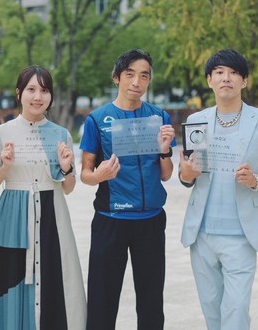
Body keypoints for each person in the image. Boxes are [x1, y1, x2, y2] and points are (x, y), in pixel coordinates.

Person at [0, 65, 86, 329]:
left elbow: (68, 188)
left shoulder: (61, 134)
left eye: (44, 90)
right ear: (19, 92)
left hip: (54, 215)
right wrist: (6, 167)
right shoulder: (1, 133)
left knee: (55, 277)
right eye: (31, 89)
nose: (38, 97)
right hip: (14, 215)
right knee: (10, 278)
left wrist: (67, 168)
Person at [178, 48, 258, 330]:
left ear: (244, 81)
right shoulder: (196, 121)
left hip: (241, 234)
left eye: (234, 72)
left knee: (236, 309)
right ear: (209, 80)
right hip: (202, 233)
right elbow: (187, 173)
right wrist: (186, 173)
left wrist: (256, 180)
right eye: (219, 72)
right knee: (212, 310)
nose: (226, 78)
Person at [79, 49, 176, 330]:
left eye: (144, 76)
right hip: (111, 220)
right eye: (130, 74)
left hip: (150, 221)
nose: (137, 82)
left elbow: (166, 174)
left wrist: (164, 150)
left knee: (151, 301)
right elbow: (85, 174)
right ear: (116, 77)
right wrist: (99, 175)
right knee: (102, 299)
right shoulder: (97, 119)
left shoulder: (159, 117)